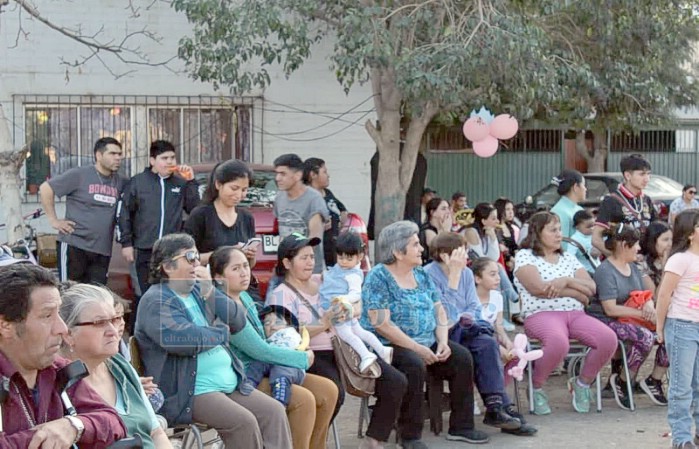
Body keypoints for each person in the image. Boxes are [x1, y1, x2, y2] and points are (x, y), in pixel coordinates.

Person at [134, 233, 292, 449]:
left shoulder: (199, 291)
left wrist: (210, 291)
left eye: (197, 256)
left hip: (228, 383)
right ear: (167, 267)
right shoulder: (156, 300)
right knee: (243, 423)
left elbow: (237, 320)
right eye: (189, 257)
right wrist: (220, 332)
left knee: (274, 411)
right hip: (191, 391)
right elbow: (184, 340)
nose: (196, 263)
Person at [267, 233, 409, 449]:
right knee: (335, 393)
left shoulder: (324, 279)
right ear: (287, 263)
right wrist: (324, 323)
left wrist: (350, 311)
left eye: (312, 257)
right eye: (303, 258)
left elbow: (358, 304)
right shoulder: (280, 295)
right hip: (313, 354)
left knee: (395, 381)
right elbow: (283, 337)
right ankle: (313, 443)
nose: (310, 262)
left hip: (344, 345)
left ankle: (373, 440)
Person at [361, 221, 490, 447]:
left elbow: (438, 309)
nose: (422, 249)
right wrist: (417, 348)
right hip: (389, 347)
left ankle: (462, 426)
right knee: (413, 364)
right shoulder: (378, 277)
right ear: (397, 252)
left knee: (461, 358)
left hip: (427, 342)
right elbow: (382, 325)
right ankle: (410, 436)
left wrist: (442, 341)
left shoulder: (420, 274)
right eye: (415, 244)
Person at [209, 245, 337, 449]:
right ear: (217, 277)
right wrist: (301, 358)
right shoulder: (223, 306)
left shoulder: (243, 296)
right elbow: (259, 350)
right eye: (236, 269)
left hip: (267, 369)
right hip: (245, 376)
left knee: (328, 390)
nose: (244, 273)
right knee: (304, 400)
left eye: (245, 266)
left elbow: (265, 340)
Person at [0, 263, 126, 447]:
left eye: (58, 313)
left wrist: (73, 425)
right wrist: (46, 437)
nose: (62, 328)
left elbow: (113, 421)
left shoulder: (57, 370)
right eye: (47, 316)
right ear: (5, 326)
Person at [424, 234, 537, 437]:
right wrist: (454, 278)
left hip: (467, 329)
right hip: (441, 334)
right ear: (444, 255)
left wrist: (471, 321)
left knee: (486, 342)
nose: (466, 255)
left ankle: (495, 407)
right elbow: (442, 315)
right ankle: (501, 405)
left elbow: (474, 308)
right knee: (476, 341)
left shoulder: (467, 273)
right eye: (461, 251)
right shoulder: (428, 275)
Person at [513, 211, 617, 415]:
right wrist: (573, 290)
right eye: (553, 230)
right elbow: (538, 288)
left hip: (575, 314)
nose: (559, 234)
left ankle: (582, 383)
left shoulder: (567, 257)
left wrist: (565, 282)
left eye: (560, 229)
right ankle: (536, 386)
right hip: (541, 314)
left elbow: (591, 287)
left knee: (608, 339)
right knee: (558, 343)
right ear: (537, 233)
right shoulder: (525, 256)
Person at [59, 283, 172, 449]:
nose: (113, 330)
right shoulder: (58, 384)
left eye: (115, 319)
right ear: (69, 334)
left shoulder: (120, 366)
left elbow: (156, 433)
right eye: (99, 323)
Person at [590, 224, 668, 410]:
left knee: (671, 333)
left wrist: (649, 306)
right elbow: (610, 309)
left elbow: (644, 293)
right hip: (607, 321)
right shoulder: (605, 271)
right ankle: (624, 380)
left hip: (631, 317)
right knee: (645, 337)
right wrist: (644, 314)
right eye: (636, 245)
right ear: (624, 245)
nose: (639, 248)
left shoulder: (632, 267)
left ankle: (654, 380)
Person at [117, 140, 200, 299]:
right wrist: (126, 243)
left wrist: (190, 181)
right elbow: (124, 213)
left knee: (172, 294)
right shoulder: (138, 182)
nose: (169, 162)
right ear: (152, 160)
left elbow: (195, 210)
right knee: (146, 293)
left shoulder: (180, 183)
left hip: (172, 251)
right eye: (164, 158)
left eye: (172, 157)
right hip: (145, 248)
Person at [39, 137, 125, 284]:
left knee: (96, 295)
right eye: (112, 154)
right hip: (75, 244)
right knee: (70, 292)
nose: (118, 158)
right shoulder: (80, 174)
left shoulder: (121, 181)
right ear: (98, 155)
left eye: (119, 154)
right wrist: (54, 220)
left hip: (102, 249)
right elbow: (46, 188)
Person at [319, 232, 392, 373]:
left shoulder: (353, 275)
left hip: (341, 308)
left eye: (349, 258)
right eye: (340, 257)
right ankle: (382, 350)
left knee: (347, 334)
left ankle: (366, 355)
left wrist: (342, 299)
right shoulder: (340, 269)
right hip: (339, 306)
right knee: (359, 331)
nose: (344, 262)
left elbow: (356, 294)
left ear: (359, 256)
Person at [656, 209, 699, 449]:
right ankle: (681, 437)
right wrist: (659, 327)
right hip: (682, 325)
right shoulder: (680, 259)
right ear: (691, 233)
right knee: (682, 386)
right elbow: (664, 294)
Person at [184, 159, 256, 266]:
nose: (239, 195)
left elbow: (251, 264)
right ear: (218, 184)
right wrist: (227, 253)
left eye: (244, 190)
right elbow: (187, 257)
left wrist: (250, 255)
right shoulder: (201, 215)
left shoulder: (247, 218)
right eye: (234, 188)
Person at [464, 202, 519, 330]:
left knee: (494, 270)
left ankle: (501, 316)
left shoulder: (488, 232)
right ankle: (512, 297)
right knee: (495, 269)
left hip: (483, 266)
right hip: (470, 267)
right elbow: (480, 258)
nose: (497, 221)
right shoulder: (471, 232)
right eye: (493, 218)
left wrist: (493, 238)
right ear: (483, 220)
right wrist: (493, 239)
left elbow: (493, 257)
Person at [273, 154, 329, 274]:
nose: (278, 178)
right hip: (285, 270)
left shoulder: (314, 199)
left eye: (283, 174)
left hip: (309, 272)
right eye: (276, 173)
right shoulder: (279, 198)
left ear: (298, 175)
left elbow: (315, 239)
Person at [593, 154, 656, 256]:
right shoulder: (611, 201)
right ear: (627, 175)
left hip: (644, 263)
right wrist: (617, 259)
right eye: (642, 174)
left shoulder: (646, 200)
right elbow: (596, 239)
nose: (647, 179)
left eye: (648, 174)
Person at [246, 305, 307, 405]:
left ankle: (280, 400)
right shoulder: (267, 340)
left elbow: (292, 349)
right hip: (270, 360)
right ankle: (248, 383)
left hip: (289, 365)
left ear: (289, 325)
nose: (272, 325)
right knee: (257, 363)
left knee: (280, 372)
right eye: (267, 323)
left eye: (278, 322)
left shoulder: (290, 334)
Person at [304, 157, 348, 267]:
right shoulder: (306, 197)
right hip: (318, 250)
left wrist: (342, 217)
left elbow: (341, 208)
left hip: (334, 247)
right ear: (313, 175)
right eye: (324, 172)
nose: (328, 175)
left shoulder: (327, 193)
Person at [471, 257, 514, 363]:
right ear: (478, 279)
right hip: (474, 340)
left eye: (498, 274)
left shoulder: (497, 296)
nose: (498, 278)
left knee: (515, 351)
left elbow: (498, 326)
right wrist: (497, 347)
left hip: (489, 339)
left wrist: (507, 342)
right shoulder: (470, 299)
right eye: (492, 274)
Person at [549, 169, 586, 245]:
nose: (585, 189)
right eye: (583, 185)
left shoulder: (579, 209)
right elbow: (563, 244)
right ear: (576, 187)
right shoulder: (559, 212)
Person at [639, 221, 673, 292]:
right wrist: (665, 270)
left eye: (672, 239)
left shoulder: (676, 260)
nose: (670, 244)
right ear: (653, 242)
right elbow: (655, 298)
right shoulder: (642, 265)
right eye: (665, 240)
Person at [418, 197, 452, 264]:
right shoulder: (428, 231)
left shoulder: (441, 228)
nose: (448, 212)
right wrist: (446, 231)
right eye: (443, 209)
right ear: (433, 212)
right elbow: (442, 251)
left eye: (448, 208)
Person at [565, 210, 600, 274]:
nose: (592, 228)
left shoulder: (595, 234)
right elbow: (570, 256)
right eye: (589, 227)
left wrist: (600, 250)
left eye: (593, 225)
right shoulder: (575, 239)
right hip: (585, 272)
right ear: (577, 227)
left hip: (597, 268)